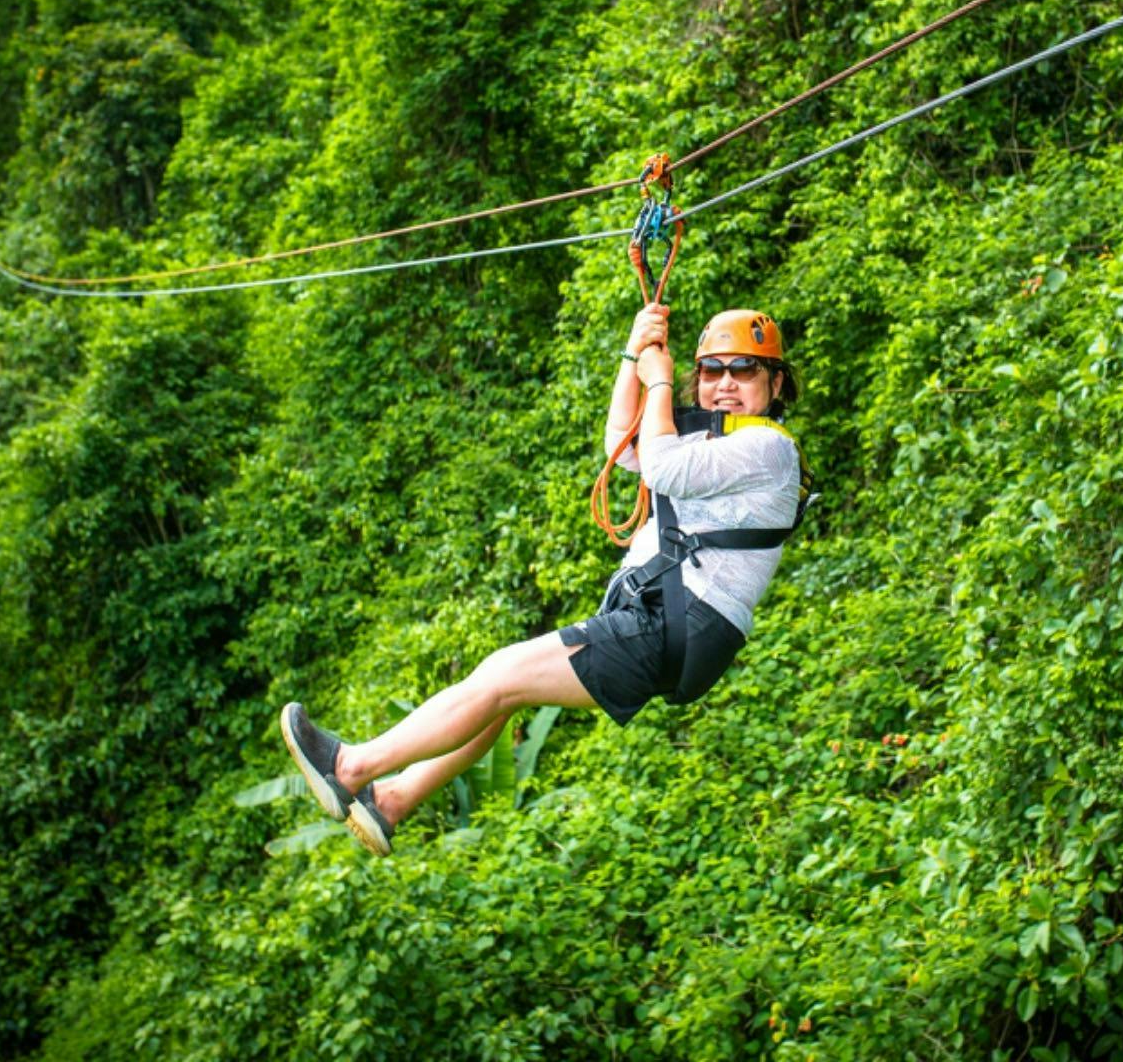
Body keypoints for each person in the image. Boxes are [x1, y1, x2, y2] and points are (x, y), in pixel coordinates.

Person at [278, 304, 805, 856]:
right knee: (505, 692)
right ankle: (394, 800)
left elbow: (661, 468)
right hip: (670, 620)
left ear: (774, 383)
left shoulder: (768, 448)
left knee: (501, 675)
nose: (725, 384)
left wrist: (660, 382)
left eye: (744, 370)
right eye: (712, 370)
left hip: (678, 621)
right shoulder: (708, 438)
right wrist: (633, 356)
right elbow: (624, 446)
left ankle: (351, 767)